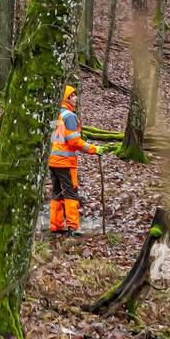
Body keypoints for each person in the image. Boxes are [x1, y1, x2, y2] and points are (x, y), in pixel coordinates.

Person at [48, 84, 97, 236]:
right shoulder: (69, 116)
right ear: (67, 98)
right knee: (71, 192)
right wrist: (94, 149)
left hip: (53, 160)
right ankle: (73, 227)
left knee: (57, 192)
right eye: (73, 95)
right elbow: (74, 141)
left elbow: (56, 138)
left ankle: (56, 225)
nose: (76, 98)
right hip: (65, 161)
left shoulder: (56, 114)